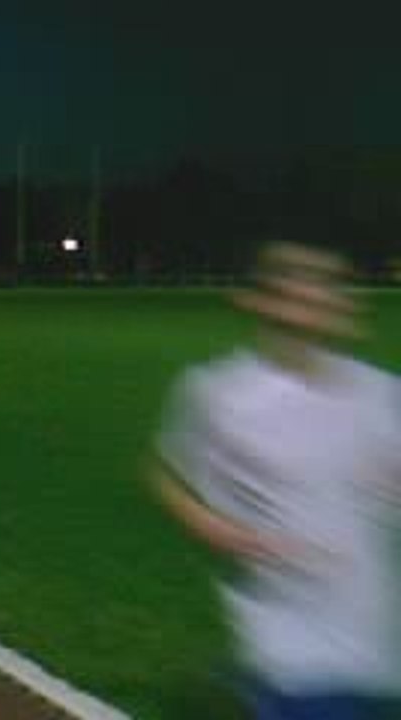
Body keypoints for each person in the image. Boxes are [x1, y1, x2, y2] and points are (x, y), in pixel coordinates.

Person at [149, 240, 401, 719]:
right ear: (260, 301)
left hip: (376, 642)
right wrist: (219, 530)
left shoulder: (381, 393)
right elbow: (165, 475)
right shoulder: (220, 394)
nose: (326, 296)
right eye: (304, 284)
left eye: (331, 284)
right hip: (290, 648)